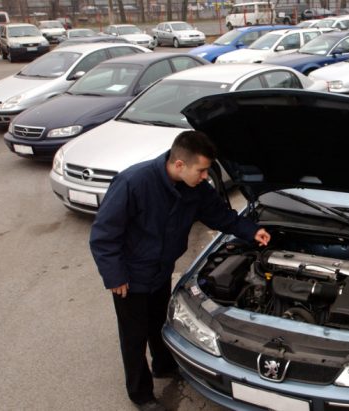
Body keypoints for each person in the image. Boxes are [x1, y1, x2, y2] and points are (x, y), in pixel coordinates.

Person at [89, 130, 270, 410]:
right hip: (130, 279)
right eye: (201, 170)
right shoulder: (133, 183)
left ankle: (163, 365)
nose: (205, 177)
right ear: (179, 165)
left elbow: (221, 216)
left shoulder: (196, 189)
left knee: (159, 323)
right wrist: (115, 276)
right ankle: (141, 395)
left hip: (161, 271)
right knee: (133, 337)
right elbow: (103, 235)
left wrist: (252, 231)